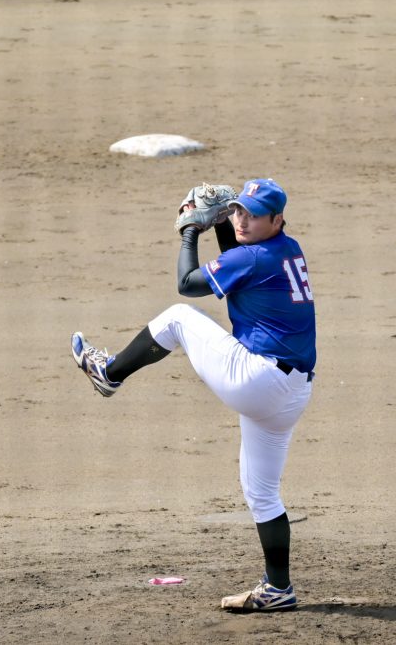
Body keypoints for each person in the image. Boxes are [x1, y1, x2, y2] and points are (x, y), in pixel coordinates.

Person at [70, 179, 316, 612]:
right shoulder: (284, 249)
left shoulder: (254, 256)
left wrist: (189, 230)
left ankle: (109, 373)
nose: (242, 220)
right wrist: (220, 222)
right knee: (261, 493)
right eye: (238, 210)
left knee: (178, 317)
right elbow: (235, 268)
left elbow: (187, 282)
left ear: (277, 219)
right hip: (292, 392)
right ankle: (278, 589)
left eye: (253, 215)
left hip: (257, 380)